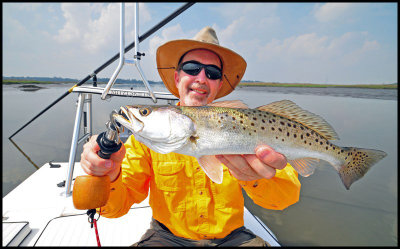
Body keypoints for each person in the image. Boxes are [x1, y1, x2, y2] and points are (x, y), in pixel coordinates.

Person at [80, 26, 301, 246]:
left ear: (220, 83)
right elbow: (115, 208)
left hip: (232, 238)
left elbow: (285, 198)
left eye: (212, 73)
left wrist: (256, 178)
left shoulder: (242, 122)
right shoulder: (144, 141)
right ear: (177, 78)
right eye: (192, 68)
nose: (202, 78)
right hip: (167, 237)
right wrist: (108, 174)